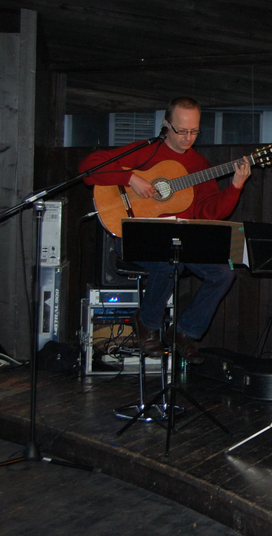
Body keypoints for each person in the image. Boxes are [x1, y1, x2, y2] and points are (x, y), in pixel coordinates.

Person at [79, 97, 251, 364]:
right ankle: (147, 323)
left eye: (194, 131)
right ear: (166, 125)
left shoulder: (199, 166)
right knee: (169, 261)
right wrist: (130, 178)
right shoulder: (146, 152)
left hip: (179, 242)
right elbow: (89, 167)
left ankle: (183, 331)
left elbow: (211, 212)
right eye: (181, 130)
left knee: (223, 273)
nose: (188, 138)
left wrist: (235, 187)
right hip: (134, 237)